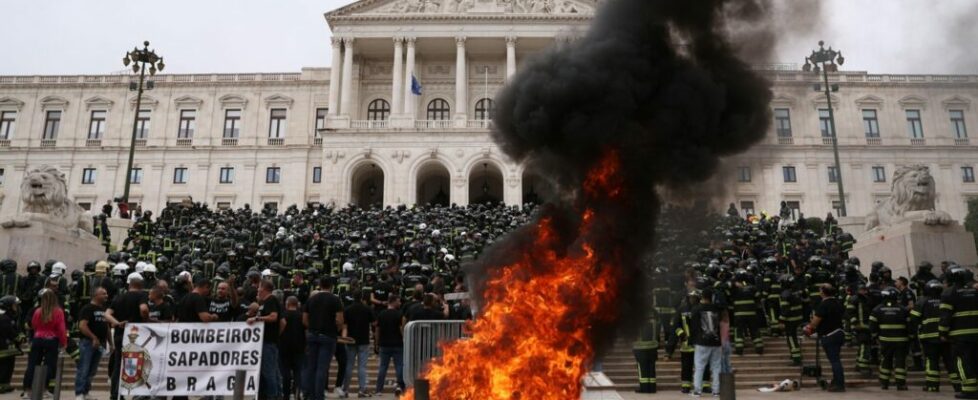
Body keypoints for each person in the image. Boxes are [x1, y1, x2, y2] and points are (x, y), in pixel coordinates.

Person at [106, 272, 149, 400]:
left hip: (120, 335)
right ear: (140, 285)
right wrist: (145, 319)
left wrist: (118, 323)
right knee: (141, 362)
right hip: (136, 335)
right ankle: (139, 394)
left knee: (118, 365)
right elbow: (144, 309)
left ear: (129, 285)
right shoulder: (141, 295)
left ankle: (115, 394)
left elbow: (107, 314)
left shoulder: (119, 297)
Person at [940, 266, 978, 399]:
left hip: (959, 336)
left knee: (963, 362)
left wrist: (943, 333)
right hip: (976, 333)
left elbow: (945, 317)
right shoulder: (974, 291)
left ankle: (968, 390)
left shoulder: (949, 293)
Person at [303, 278, 343, 400]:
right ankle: (319, 396)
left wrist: (312, 328)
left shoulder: (311, 299)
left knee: (311, 367)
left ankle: (308, 394)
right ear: (331, 286)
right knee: (322, 368)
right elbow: (340, 320)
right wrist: (336, 329)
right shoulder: (335, 300)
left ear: (319, 285)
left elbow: (304, 320)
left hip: (312, 335)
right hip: (328, 336)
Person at [22, 289, 67, 399]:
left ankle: (27, 391)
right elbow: (61, 329)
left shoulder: (38, 311)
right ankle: (45, 390)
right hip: (52, 340)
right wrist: (63, 342)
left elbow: (33, 325)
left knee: (32, 365)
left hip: (37, 339)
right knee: (49, 366)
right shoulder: (58, 311)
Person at [76, 287, 118, 400]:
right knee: (84, 368)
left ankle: (86, 392)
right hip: (88, 343)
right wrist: (93, 337)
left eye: (106, 293)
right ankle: (79, 393)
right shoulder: (87, 308)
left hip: (101, 344)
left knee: (92, 370)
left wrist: (111, 343)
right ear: (96, 295)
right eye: (103, 294)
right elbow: (82, 325)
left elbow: (107, 327)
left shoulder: (104, 309)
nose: (106, 296)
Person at [805, 284, 846, 392]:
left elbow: (815, 323)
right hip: (839, 333)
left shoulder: (824, 304)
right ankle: (836, 381)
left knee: (834, 361)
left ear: (823, 292)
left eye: (820, 290)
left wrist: (809, 328)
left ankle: (839, 384)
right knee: (836, 359)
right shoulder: (837, 302)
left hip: (829, 335)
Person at [869, 287, 910, 390]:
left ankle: (884, 383)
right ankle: (900, 384)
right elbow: (910, 325)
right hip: (901, 341)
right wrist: (911, 337)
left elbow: (872, 326)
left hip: (885, 341)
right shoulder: (903, 309)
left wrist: (875, 337)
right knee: (900, 362)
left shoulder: (877, 309)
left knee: (886, 361)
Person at [248, 280, 282, 400]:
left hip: (268, 342)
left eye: (259, 288)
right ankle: (273, 395)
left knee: (269, 372)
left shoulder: (271, 300)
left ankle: (272, 396)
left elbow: (274, 317)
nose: (257, 290)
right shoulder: (265, 302)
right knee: (270, 372)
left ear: (264, 289)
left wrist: (256, 319)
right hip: (266, 342)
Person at [690, 288, 723, 397]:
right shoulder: (717, 309)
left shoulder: (696, 309)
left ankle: (697, 391)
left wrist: (692, 340)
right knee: (716, 367)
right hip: (716, 341)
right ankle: (716, 391)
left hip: (702, 341)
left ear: (702, 297)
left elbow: (693, 327)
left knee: (699, 366)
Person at [342, 291, 375, 397]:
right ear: (361, 297)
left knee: (349, 365)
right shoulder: (367, 309)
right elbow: (374, 322)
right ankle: (362, 389)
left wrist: (344, 338)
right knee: (362, 367)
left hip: (351, 340)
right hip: (364, 340)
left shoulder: (347, 309)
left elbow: (344, 325)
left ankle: (345, 389)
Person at [375, 296, 404, 397]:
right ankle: (400, 386)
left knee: (383, 367)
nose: (400, 302)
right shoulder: (399, 314)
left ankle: (379, 389)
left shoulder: (381, 314)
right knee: (399, 366)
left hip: (384, 344)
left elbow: (377, 330)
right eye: (398, 301)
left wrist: (376, 344)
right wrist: (404, 339)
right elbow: (401, 329)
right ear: (394, 301)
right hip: (398, 344)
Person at [279, 296, 305, 400]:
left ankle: (286, 395)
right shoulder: (302, 315)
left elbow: (281, 328)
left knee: (285, 373)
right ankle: (297, 393)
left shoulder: (283, 315)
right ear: (297, 304)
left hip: (284, 347)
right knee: (298, 372)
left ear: (287, 304)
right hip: (299, 347)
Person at [631, 310, 659, 393]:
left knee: (643, 370)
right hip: (653, 349)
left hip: (641, 349)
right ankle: (652, 388)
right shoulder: (655, 323)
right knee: (651, 369)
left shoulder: (638, 323)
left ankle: (644, 388)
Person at [0, 295, 21, 394]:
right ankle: (1, 386)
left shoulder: (8, 317)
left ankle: (5, 385)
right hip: (3, 349)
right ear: (8, 306)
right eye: (14, 305)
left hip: (8, 349)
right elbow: (10, 332)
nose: (16, 308)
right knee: (4, 367)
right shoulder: (4, 318)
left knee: (9, 367)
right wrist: (19, 338)